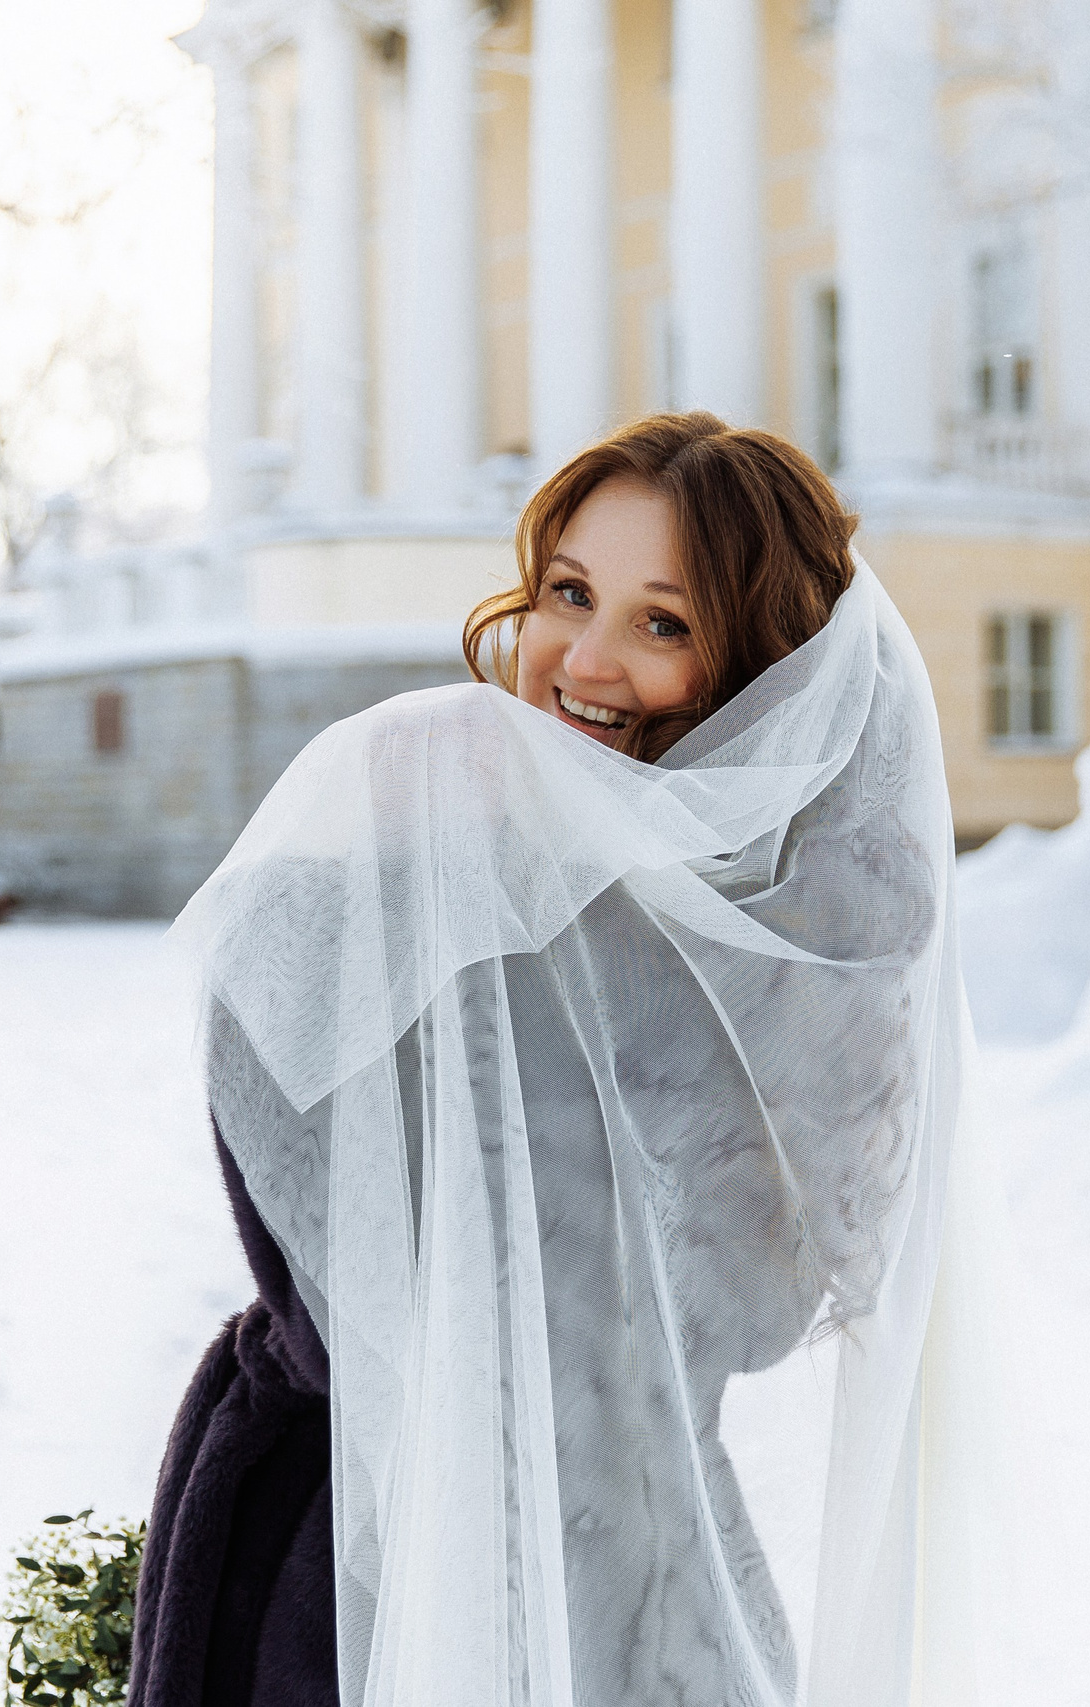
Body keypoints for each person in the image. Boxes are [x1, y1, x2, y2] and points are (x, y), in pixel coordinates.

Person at [135, 413, 980, 1707]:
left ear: (758, 676)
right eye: (569, 592)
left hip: (471, 1587)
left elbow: (345, 1280)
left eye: (663, 623)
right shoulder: (551, 890)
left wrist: (392, 861)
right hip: (590, 1582)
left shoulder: (740, 962)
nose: (580, 659)